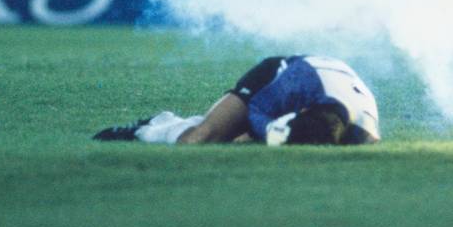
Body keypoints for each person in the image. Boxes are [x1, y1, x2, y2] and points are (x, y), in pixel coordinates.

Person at [93, 55, 380, 146]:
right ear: (304, 111)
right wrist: (263, 131)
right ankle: (154, 126)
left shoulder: (364, 134)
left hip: (324, 86)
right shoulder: (288, 86)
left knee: (240, 140)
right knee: (202, 138)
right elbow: (256, 111)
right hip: (277, 75)